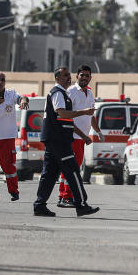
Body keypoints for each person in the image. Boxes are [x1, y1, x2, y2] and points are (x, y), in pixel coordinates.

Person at [32, 66, 98, 217]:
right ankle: (81, 205)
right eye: (65, 75)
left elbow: (66, 118)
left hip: (57, 140)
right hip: (58, 140)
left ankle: (40, 205)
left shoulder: (64, 94)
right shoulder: (58, 93)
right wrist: (84, 112)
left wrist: (85, 133)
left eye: (69, 75)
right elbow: (61, 113)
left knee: (49, 174)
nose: (68, 77)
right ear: (57, 78)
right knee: (73, 170)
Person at [58, 65, 100, 207]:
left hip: (81, 139)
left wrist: (98, 131)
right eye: (82, 75)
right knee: (71, 168)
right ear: (77, 76)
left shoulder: (89, 92)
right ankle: (66, 197)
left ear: (90, 78)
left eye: (87, 75)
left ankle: (65, 196)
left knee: (73, 168)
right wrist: (82, 135)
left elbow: (91, 115)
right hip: (72, 136)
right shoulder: (70, 92)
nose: (84, 78)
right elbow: (67, 117)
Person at [0, 71, 28, 203]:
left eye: (2, 79)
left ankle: (14, 192)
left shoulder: (11, 94)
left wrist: (24, 100)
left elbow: (21, 98)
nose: (0, 81)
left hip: (7, 138)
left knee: (9, 167)